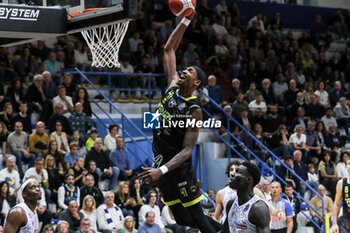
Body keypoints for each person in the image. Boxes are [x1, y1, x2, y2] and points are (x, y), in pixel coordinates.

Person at [139, 12, 222, 233]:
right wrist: (185, 19)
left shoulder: (194, 110)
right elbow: (168, 49)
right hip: (161, 158)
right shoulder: (172, 85)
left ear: (196, 83)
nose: (185, 71)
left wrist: (162, 171)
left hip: (178, 165)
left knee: (198, 217)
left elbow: (187, 150)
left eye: (190, 71)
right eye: (185, 69)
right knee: (183, 218)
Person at [222, 162, 270, 233]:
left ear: (248, 180)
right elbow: (225, 231)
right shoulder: (231, 203)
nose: (232, 174)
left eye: (238, 172)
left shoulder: (258, 208)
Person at [332, 156, 350, 233]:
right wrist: (334, 223)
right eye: (349, 164)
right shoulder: (341, 183)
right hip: (346, 223)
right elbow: (336, 204)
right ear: (346, 166)